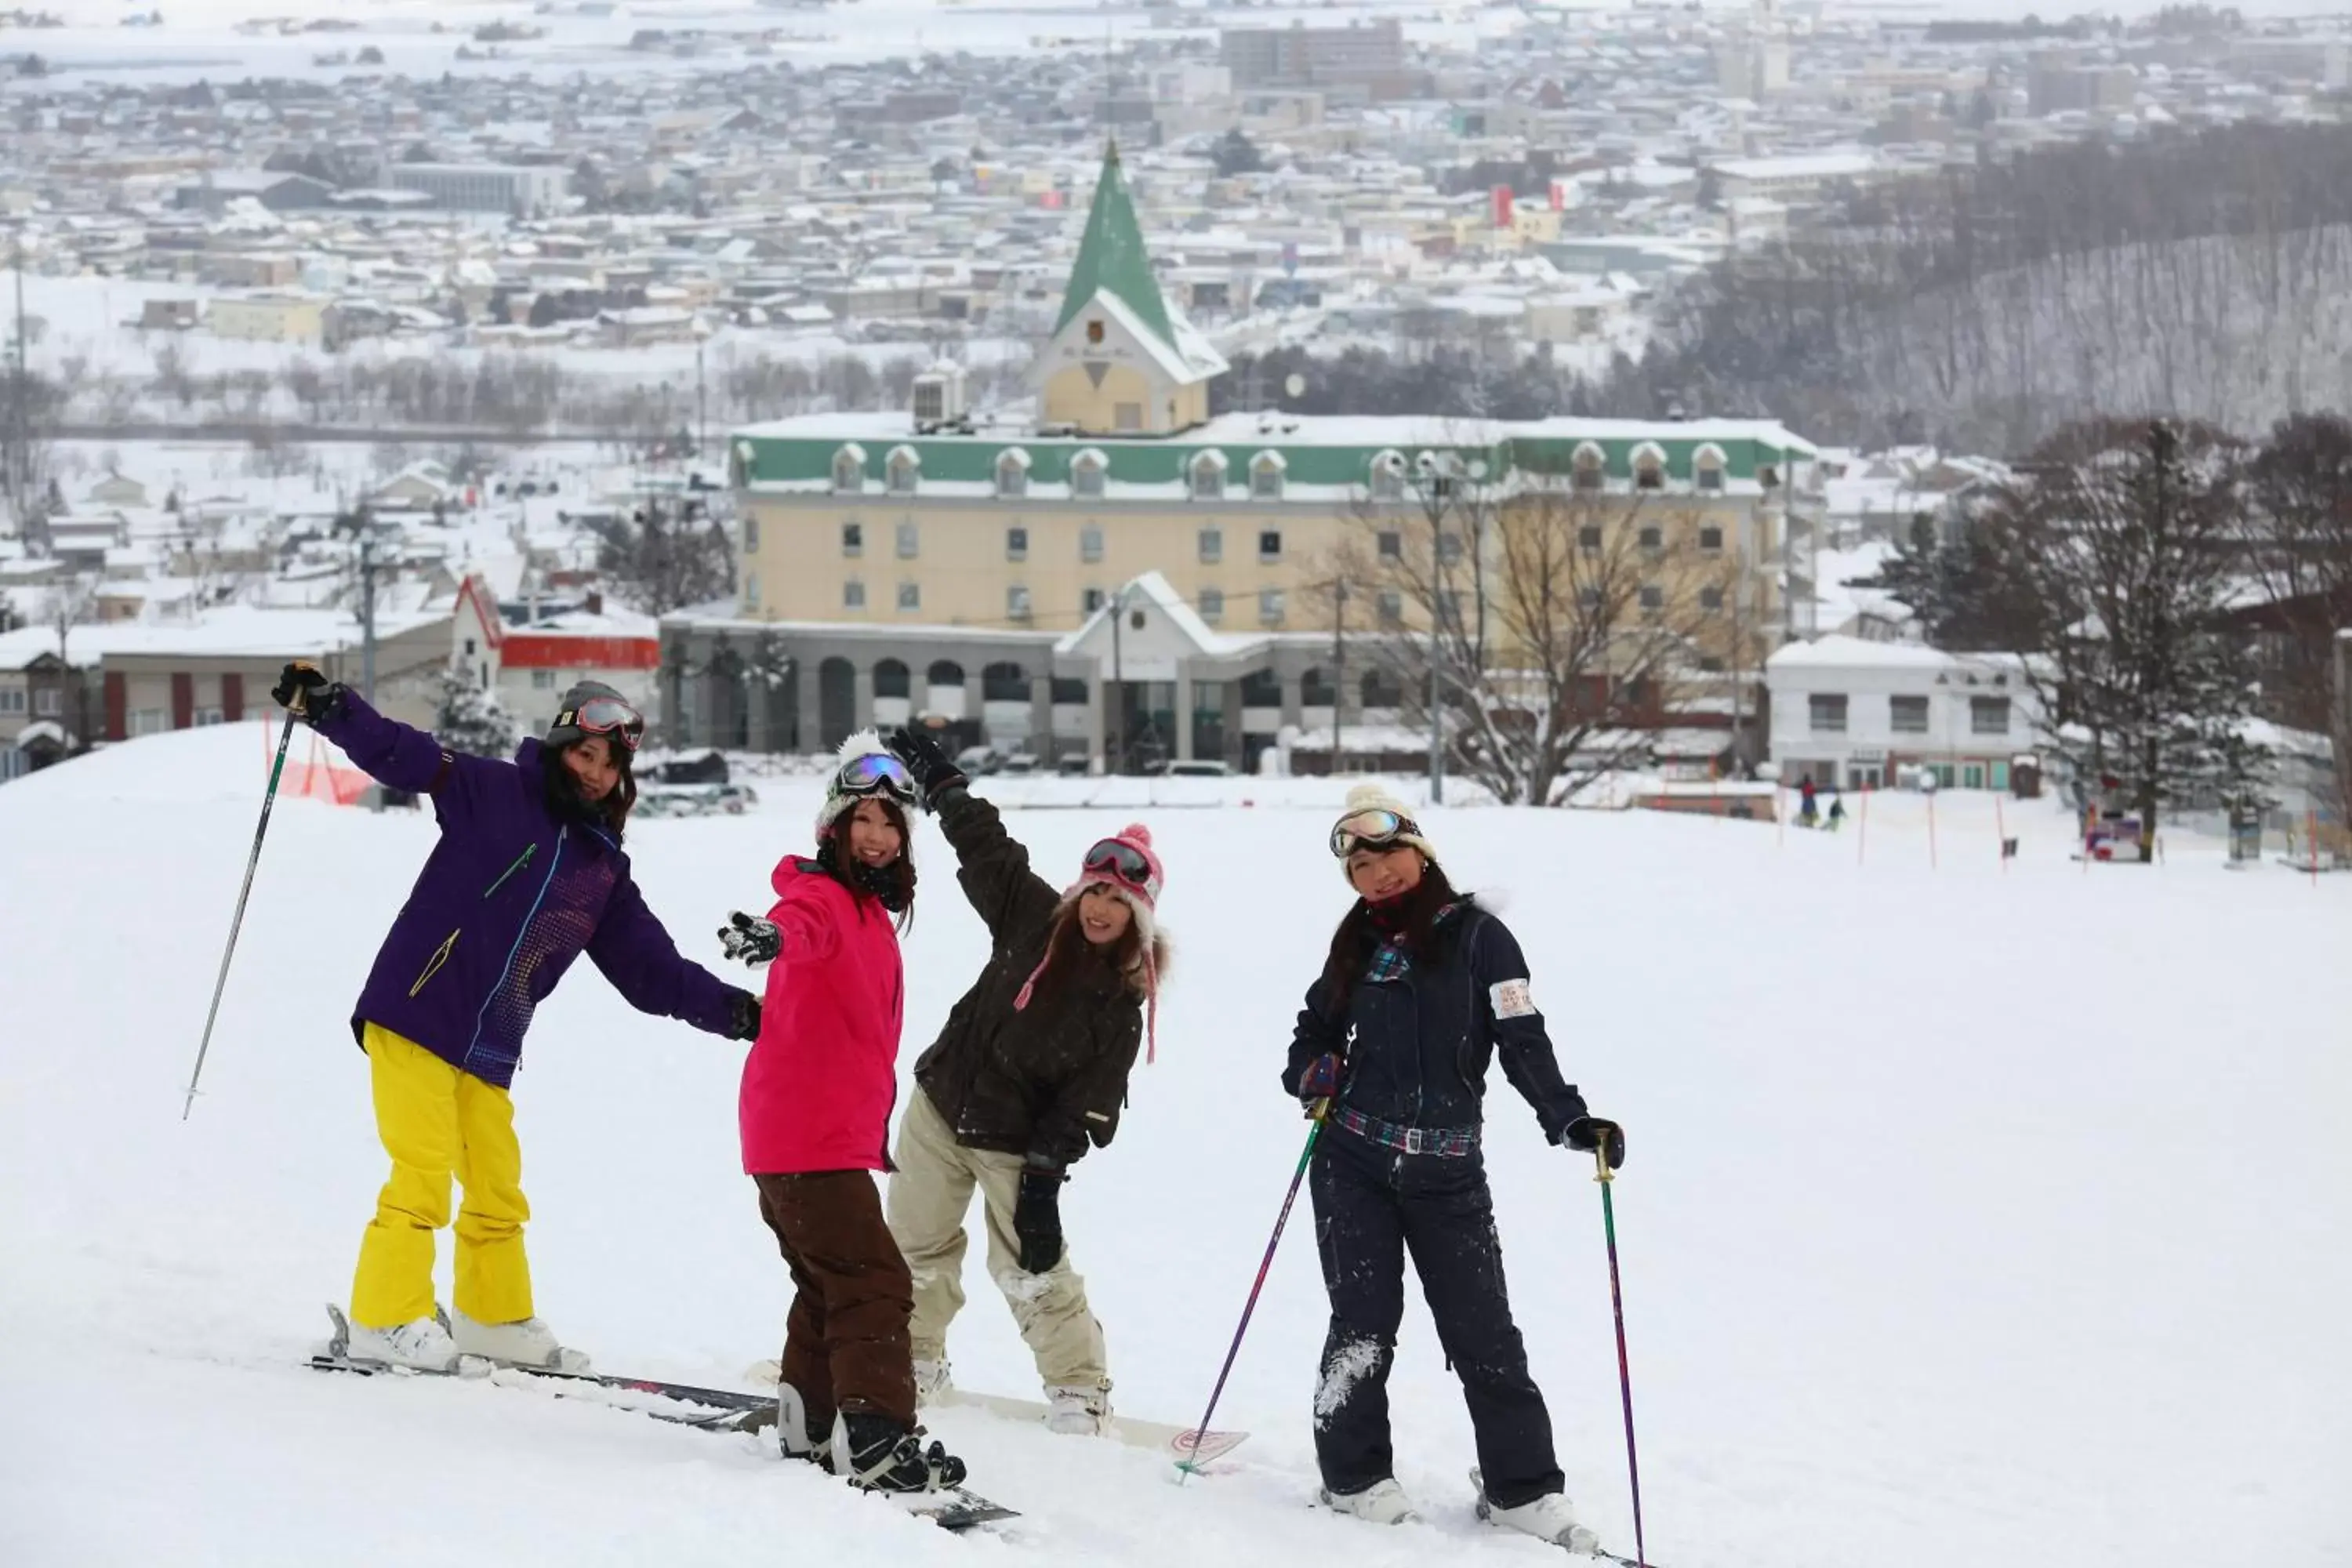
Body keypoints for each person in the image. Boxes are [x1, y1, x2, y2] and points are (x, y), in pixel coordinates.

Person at [269, 665, 759, 1374]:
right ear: (561, 745)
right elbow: (400, 751)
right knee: (422, 1172)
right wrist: (332, 707)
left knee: (497, 1184)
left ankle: (490, 1316)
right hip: (415, 1009)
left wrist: (736, 1012)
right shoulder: (492, 791)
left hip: (490, 1043)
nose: (593, 773)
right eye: (584, 754)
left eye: (608, 765)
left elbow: (653, 972)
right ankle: (386, 1314)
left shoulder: (603, 872)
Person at [1283, 784, 1624, 1547]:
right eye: (1360, 866)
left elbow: (1522, 1036)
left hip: (1449, 1171)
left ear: (1420, 850)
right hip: (1354, 1160)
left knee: (1485, 1333)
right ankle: (1354, 1475)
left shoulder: (1480, 937)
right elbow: (1312, 1032)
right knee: (1364, 1325)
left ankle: (1522, 1486)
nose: (1376, 874)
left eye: (1388, 854)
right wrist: (1313, 1072)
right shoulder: (1354, 944)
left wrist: (1567, 1115)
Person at [875, 724, 1167, 1437]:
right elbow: (988, 849)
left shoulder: (1122, 1005)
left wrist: (1043, 1179)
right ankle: (916, 1358)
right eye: (1095, 894)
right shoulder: (1033, 916)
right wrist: (945, 787)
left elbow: (1087, 1106)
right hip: (941, 1105)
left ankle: (1077, 1386)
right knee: (916, 1245)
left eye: (1117, 905)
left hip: (1017, 1141)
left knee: (1032, 1266)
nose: (1100, 911)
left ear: (1138, 917)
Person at [717, 733, 968, 1495]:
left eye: (892, 823)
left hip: (796, 1136)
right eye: (864, 818)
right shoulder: (822, 897)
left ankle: (807, 1413)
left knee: (827, 1280)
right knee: (875, 1280)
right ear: (833, 825)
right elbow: (800, 924)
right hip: (807, 1137)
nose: (879, 835)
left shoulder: (867, 911)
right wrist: (771, 937)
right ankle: (875, 1436)